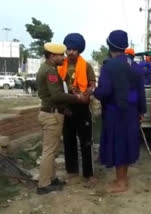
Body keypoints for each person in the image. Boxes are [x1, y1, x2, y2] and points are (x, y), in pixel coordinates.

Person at [93, 30, 146, 193]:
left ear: (110, 46)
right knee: (127, 143)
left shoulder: (109, 66)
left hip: (115, 112)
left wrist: (93, 92)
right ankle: (121, 178)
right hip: (131, 111)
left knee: (118, 144)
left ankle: (121, 182)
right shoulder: (135, 66)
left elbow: (105, 91)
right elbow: (140, 91)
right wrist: (141, 111)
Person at [36, 43, 87, 195]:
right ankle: (44, 184)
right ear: (52, 56)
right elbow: (57, 95)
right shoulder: (50, 71)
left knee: (52, 149)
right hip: (51, 115)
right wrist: (77, 98)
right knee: (49, 151)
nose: (64, 58)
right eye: (61, 55)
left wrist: (65, 109)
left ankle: (51, 179)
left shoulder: (46, 68)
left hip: (52, 112)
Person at [58, 33, 96, 186]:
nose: (71, 52)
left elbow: (92, 84)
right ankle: (72, 171)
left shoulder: (86, 65)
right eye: (69, 49)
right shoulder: (61, 65)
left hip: (82, 106)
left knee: (86, 141)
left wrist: (86, 93)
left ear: (79, 50)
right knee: (68, 140)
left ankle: (89, 174)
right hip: (67, 107)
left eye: (74, 49)